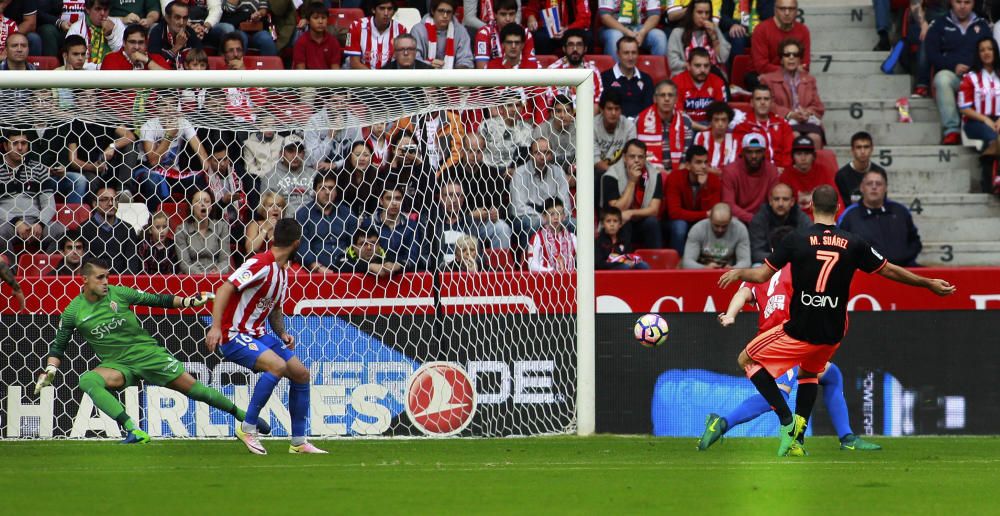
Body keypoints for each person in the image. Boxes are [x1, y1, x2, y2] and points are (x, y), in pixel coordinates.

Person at [718, 185, 956, 457]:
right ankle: (798, 439)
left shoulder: (796, 239)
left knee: (746, 360)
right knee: (810, 374)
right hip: (833, 331)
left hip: (801, 327)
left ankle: (786, 420)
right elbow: (889, 269)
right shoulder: (854, 243)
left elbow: (760, 277)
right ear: (839, 209)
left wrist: (739, 273)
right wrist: (927, 283)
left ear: (810, 209)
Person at [35, 257, 268, 445]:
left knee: (197, 391)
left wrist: (188, 302)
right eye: (100, 278)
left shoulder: (119, 293)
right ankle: (132, 430)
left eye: (107, 276)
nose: (106, 282)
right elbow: (59, 344)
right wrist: (50, 369)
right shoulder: (73, 311)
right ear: (84, 280)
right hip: (118, 366)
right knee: (88, 380)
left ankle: (244, 416)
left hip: (149, 356)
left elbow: (158, 300)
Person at [702, 226, 882, 453]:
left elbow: (742, 294)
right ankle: (726, 423)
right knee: (781, 393)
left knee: (830, 375)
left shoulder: (762, 273)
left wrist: (729, 315)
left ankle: (843, 437)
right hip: (789, 341)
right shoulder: (801, 268)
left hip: (774, 340)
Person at [206, 218, 325, 455]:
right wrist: (216, 327)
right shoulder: (260, 263)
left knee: (301, 374)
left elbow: (275, 309)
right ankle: (248, 428)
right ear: (297, 243)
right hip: (234, 334)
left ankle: (298, 442)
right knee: (277, 366)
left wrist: (282, 333)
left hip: (259, 335)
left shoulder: (282, 272)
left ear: (274, 238)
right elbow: (224, 289)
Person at [925, 0, 990, 145]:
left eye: (967, 2)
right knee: (942, 79)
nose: (962, 6)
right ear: (951, 2)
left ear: (974, 3)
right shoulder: (940, 24)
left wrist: (974, 68)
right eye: (958, 1)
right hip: (953, 75)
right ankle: (951, 130)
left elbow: (990, 54)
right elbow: (931, 54)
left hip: (977, 77)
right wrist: (952, 65)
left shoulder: (982, 25)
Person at [0, 129, 65, 257]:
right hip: (6, 223)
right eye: (15, 143)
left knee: (61, 231)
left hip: (35, 222)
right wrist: (16, 222)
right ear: (6, 146)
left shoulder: (38, 168)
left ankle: (47, 272)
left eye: (23, 143)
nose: (19, 148)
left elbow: (49, 203)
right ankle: (11, 275)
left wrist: (40, 223)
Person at [838, 170, 923, 267]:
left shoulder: (900, 211)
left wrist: (901, 259)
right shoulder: (849, 215)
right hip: (866, 274)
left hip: (902, 271)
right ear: (862, 188)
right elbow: (840, 246)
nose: (874, 187)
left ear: (886, 188)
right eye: (869, 183)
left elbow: (915, 242)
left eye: (878, 184)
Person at [759, 37, 825, 149]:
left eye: (795, 54)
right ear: (781, 59)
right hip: (782, 121)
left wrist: (807, 113)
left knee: (815, 138)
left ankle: (813, 167)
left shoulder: (809, 80)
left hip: (806, 121)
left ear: (800, 59)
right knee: (794, 136)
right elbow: (768, 104)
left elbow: (818, 106)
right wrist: (790, 114)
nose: (791, 58)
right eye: (787, 55)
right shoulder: (768, 79)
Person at [510, 137, 573, 248]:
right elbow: (518, 208)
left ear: (552, 155)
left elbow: (565, 204)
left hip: (555, 216)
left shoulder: (558, 172)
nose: (542, 157)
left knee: (576, 224)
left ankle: (573, 262)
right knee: (533, 223)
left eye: (546, 153)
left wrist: (555, 216)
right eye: (537, 153)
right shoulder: (520, 173)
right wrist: (543, 218)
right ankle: (529, 261)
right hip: (528, 218)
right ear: (530, 154)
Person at [601, 139, 663, 249]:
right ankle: (623, 260)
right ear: (624, 157)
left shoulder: (654, 174)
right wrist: (632, 181)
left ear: (645, 158)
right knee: (624, 222)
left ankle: (656, 262)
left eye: (640, 157)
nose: (636, 161)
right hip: (618, 224)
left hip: (641, 221)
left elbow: (654, 210)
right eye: (632, 156)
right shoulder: (611, 175)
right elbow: (617, 210)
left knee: (652, 222)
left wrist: (630, 213)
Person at [959, 36, 1000, 192]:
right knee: (992, 137)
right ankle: (991, 182)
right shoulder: (970, 77)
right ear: (978, 54)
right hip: (975, 122)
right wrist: (985, 119)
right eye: (982, 50)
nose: (986, 53)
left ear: (995, 51)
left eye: (989, 49)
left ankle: (993, 181)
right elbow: (964, 108)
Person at [296, 172, 358, 273]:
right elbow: (302, 246)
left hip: (346, 268)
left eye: (331, 188)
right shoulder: (303, 214)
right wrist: (318, 267)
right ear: (315, 191)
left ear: (336, 191)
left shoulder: (347, 213)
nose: (327, 192)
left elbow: (354, 243)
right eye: (322, 188)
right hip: (315, 272)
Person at [665, 144, 721, 255]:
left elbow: (713, 213)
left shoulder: (713, 180)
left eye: (705, 162)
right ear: (688, 165)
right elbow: (674, 213)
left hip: (700, 220)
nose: (704, 166)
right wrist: (704, 214)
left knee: (713, 225)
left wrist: (704, 187)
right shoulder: (675, 177)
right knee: (680, 226)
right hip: (676, 221)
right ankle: (678, 261)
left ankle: (707, 260)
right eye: (698, 162)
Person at [79, 185, 143, 274]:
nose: (110, 203)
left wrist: (121, 284)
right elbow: (84, 263)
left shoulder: (127, 229)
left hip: (121, 283)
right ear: (94, 204)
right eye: (105, 199)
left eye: (114, 199)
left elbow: (132, 263)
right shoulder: (84, 229)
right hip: (95, 282)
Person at [636, 80, 695, 174]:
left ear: (676, 99)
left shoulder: (685, 121)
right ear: (655, 99)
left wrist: (672, 176)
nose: (667, 99)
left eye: (670, 95)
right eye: (662, 95)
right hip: (649, 172)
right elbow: (637, 154)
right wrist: (661, 173)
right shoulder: (641, 120)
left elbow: (686, 159)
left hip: (678, 174)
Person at [363, 184, 426, 271]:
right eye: (389, 198)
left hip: (404, 276)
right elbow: (362, 254)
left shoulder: (411, 226)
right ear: (381, 201)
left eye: (398, 198)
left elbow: (413, 258)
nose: (394, 203)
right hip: (375, 275)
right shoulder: (369, 224)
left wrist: (398, 266)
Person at [721, 132, 780, 225]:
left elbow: (773, 201)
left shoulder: (772, 170)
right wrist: (752, 219)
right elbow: (729, 204)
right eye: (749, 152)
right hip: (737, 219)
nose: (754, 156)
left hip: (764, 219)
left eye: (758, 151)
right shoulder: (730, 171)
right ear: (743, 152)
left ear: (764, 152)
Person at [733, 84, 794, 172]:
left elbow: (789, 151)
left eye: (766, 99)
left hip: (783, 172)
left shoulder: (782, 124)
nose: (762, 102)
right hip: (757, 173)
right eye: (758, 99)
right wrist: (769, 171)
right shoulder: (743, 126)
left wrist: (785, 168)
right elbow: (743, 155)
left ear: (772, 102)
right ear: (752, 103)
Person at [748, 183, 810, 264]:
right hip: (767, 264)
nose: (780, 203)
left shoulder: (801, 217)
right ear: (770, 201)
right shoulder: (759, 219)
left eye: (785, 199)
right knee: (756, 266)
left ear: (792, 202)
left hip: (795, 263)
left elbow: (810, 247)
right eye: (776, 199)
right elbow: (757, 254)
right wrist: (783, 257)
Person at [666, 0, 730, 78]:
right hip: (685, 77)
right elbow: (673, 63)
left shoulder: (714, 29)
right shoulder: (678, 33)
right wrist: (695, 67)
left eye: (707, 13)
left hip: (712, 78)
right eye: (699, 12)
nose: (704, 16)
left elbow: (723, 58)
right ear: (691, 13)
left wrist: (714, 37)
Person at [781, 136, 841, 219]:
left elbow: (836, 199)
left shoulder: (822, 171)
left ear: (813, 156)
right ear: (792, 157)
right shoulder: (786, 175)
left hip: (822, 220)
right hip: (796, 222)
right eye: (799, 154)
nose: (803, 158)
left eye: (807, 154)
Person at [175, 189, 232, 274]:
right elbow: (184, 263)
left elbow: (225, 260)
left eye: (207, 201)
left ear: (211, 206)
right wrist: (201, 276)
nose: (203, 204)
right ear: (191, 206)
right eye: (198, 201)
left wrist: (217, 272)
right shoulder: (182, 230)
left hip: (216, 277)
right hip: (191, 278)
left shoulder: (221, 227)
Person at [672, 47, 729, 130]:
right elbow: (678, 115)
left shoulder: (718, 82)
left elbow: (721, 111)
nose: (702, 70)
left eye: (706, 66)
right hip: (686, 124)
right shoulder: (677, 82)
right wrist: (702, 128)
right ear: (688, 66)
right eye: (697, 66)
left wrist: (711, 127)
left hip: (711, 123)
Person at [682, 202, 750, 269]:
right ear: (710, 218)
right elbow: (687, 263)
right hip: (702, 272)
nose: (720, 230)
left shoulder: (740, 229)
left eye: (724, 226)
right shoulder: (697, 229)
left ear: (731, 220)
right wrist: (704, 268)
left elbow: (746, 262)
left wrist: (733, 269)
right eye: (716, 225)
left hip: (729, 273)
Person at [750, 0, 810, 76]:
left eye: (791, 9)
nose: (787, 13)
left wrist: (791, 71)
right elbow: (761, 66)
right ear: (775, 10)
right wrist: (789, 70)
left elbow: (805, 65)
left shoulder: (803, 30)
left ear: (796, 11)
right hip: (762, 76)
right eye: (782, 9)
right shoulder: (761, 29)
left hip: (793, 76)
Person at [599, 36, 654, 118]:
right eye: (626, 53)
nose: (630, 57)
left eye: (634, 53)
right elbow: (603, 109)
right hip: (615, 127)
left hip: (640, 127)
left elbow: (649, 109)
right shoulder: (604, 78)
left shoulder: (646, 79)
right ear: (618, 54)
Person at [263, 134, 318, 216]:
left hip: (313, 219)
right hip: (286, 223)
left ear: (304, 154)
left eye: (299, 152)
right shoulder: (270, 177)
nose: (295, 156)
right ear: (281, 153)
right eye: (290, 151)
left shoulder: (313, 174)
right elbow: (266, 209)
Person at [409, 0, 474, 69]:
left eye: (449, 12)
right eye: (441, 11)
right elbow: (414, 59)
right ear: (432, 11)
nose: (445, 15)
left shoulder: (461, 31)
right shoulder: (418, 30)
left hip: (453, 77)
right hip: (424, 75)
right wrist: (429, 64)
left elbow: (466, 60)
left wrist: (456, 72)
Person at [345, 0, 408, 70]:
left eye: (390, 9)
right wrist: (375, 78)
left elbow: (402, 61)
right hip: (361, 77)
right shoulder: (356, 26)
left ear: (394, 11)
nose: (386, 13)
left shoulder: (401, 30)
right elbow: (354, 63)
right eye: (382, 8)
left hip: (389, 77)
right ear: (373, 10)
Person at [547, 28, 603, 103]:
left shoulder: (593, 72)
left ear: (585, 49)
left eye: (579, 45)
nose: (575, 49)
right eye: (571, 45)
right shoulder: (553, 71)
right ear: (564, 48)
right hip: (562, 114)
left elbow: (596, 104)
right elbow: (552, 105)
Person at [598, 0, 665, 62]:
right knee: (615, 36)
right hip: (613, 27)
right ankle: (614, 73)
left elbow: (654, 15)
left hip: (639, 26)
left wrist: (643, 32)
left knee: (659, 36)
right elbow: (605, 17)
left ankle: (658, 73)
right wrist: (626, 32)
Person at [66, 0, 126, 70]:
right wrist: (103, 67)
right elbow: (72, 62)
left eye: (106, 9)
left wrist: (111, 36)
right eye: (98, 9)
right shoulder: (76, 28)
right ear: (88, 9)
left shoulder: (117, 24)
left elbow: (124, 57)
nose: (102, 13)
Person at [474, 0, 534, 68]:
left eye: (511, 14)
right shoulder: (484, 33)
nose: (508, 19)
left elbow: (531, 66)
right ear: (495, 15)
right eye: (503, 14)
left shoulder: (526, 33)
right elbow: (482, 70)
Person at [594, 90, 637, 183]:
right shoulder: (592, 127)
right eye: (609, 109)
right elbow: (596, 161)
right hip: (598, 172)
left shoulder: (629, 126)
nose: (613, 113)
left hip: (623, 170)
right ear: (601, 110)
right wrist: (613, 173)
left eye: (617, 109)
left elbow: (632, 154)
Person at [834, 131, 885, 208]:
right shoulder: (842, 175)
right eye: (858, 147)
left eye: (866, 147)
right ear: (852, 150)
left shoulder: (880, 172)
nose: (863, 151)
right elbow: (842, 206)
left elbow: (882, 201)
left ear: (872, 149)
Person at [148, 1, 204, 69]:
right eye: (177, 17)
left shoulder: (190, 33)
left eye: (185, 18)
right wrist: (177, 47)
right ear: (167, 18)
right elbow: (155, 65)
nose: (181, 22)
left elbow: (202, 61)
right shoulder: (157, 33)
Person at [523, 0, 590, 56]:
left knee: (588, 37)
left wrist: (567, 29)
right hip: (547, 30)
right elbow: (531, 9)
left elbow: (584, 18)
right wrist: (531, 18)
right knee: (539, 38)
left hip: (571, 29)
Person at [527, 197, 576, 272]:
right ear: (544, 217)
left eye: (559, 213)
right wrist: (550, 271)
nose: (556, 217)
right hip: (546, 280)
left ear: (564, 216)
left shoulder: (572, 237)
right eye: (552, 214)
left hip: (570, 281)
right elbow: (531, 265)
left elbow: (584, 261)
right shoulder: (537, 238)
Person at [293, 1, 343, 70]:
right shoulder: (301, 42)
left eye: (323, 18)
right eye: (316, 18)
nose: (320, 21)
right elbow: (301, 73)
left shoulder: (333, 42)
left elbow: (335, 71)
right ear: (307, 21)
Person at [336, 225, 403, 276]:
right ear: (354, 247)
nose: (369, 248)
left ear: (379, 245)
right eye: (363, 244)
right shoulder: (345, 257)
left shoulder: (386, 254)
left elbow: (408, 264)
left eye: (373, 243)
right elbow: (342, 266)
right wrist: (369, 267)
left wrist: (398, 266)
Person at [533, 94, 576, 171]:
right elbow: (536, 162)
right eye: (558, 111)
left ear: (573, 113)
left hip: (573, 173)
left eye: (567, 111)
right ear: (552, 113)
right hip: (547, 173)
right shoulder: (541, 131)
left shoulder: (579, 130)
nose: (563, 115)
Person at [99, 23, 170, 69]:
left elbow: (171, 81)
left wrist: (147, 61)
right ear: (124, 42)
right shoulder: (111, 59)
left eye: (141, 42)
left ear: (146, 43)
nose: (136, 47)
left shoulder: (157, 58)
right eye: (132, 42)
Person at [694, 101, 737, 176]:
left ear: (728, 122)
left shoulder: (735, 140)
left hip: (728, 180)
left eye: (723, 120)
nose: (720, 124)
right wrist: (715, 172)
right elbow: (696, 164)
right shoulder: (701, 136)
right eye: (716, 120)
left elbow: (736, 167)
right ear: (710, 121)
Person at [244, 190, 286, 256]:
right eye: (270, 205)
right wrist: (265, 229)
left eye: (279, 205)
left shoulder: (287, 227)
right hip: (259, 264)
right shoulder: (255, 225)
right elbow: (250, 249)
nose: (275, 208)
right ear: (263, 209)